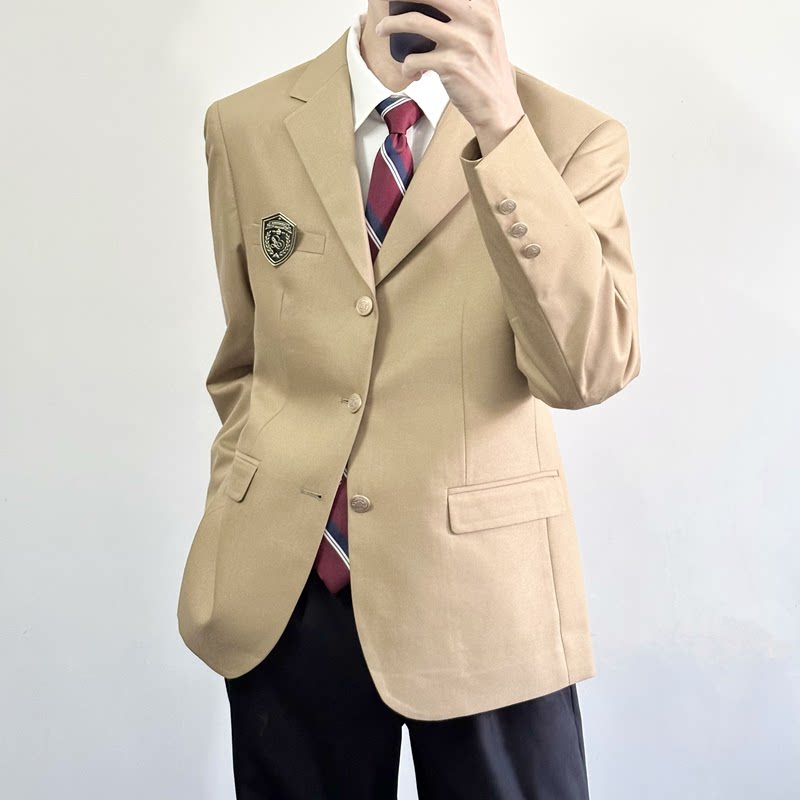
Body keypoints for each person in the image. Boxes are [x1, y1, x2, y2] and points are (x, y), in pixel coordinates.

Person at [177, 1, 641, 797]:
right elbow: (246, 359)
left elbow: (589, 371)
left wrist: (502, 131)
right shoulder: (245, 125)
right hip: (290, 588)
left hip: (484, 600)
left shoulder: (570, 139)